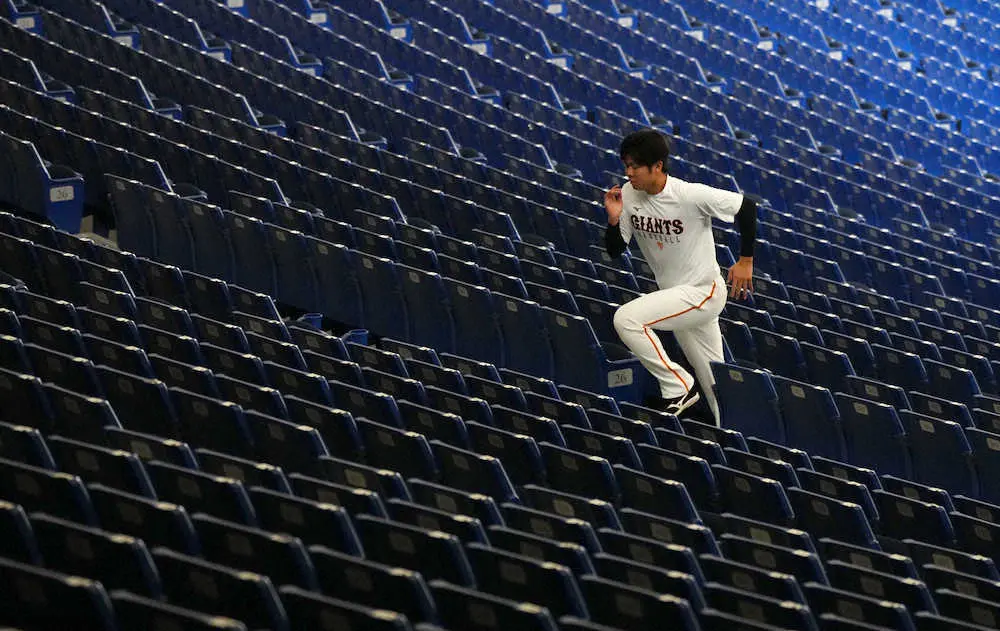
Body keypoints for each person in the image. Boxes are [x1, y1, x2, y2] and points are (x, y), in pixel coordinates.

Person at [604, 129, 756, 423]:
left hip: (703, 292)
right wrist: (613, 218)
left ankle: (677, 385)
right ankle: (730, 439)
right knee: (715, 385)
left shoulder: (687, 194)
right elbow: (615, 250)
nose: (629, 172)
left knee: (627, 319)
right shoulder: (628, 194)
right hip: (677, 298)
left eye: (635, 166)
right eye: (626, 165)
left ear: (657, 166)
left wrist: (745, 261)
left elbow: (746, 207)